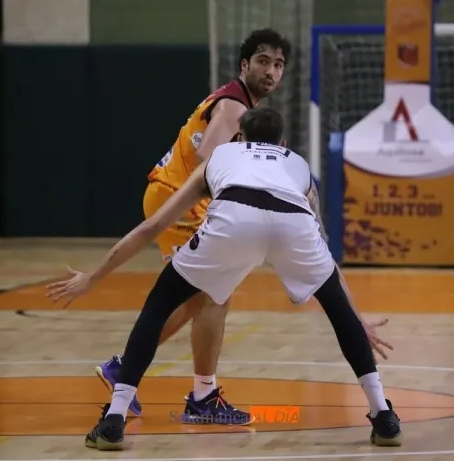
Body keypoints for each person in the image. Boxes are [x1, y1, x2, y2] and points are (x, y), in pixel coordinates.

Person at [47, 107, 402, 451]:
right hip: (292, 221)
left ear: (239, 137)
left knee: (161, 303)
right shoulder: (298, 165)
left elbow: (153, 225)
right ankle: (383, 415)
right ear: (283, 143)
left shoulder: (221, 156)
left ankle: (114, 418)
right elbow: (324, 254)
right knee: (336, 308)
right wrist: (356, 320)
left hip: (235, 217)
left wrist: (93, 276)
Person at [87, 28, 292, 426]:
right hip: (180, 199)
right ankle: (176, 387)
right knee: (210, 293)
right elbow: (207, 156)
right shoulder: (233, 105)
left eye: (278, 65)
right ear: (245, 65)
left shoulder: (236, 101)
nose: (271, 71)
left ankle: (187, 390)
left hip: (177, 194)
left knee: (209, 295)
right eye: (263, 61)